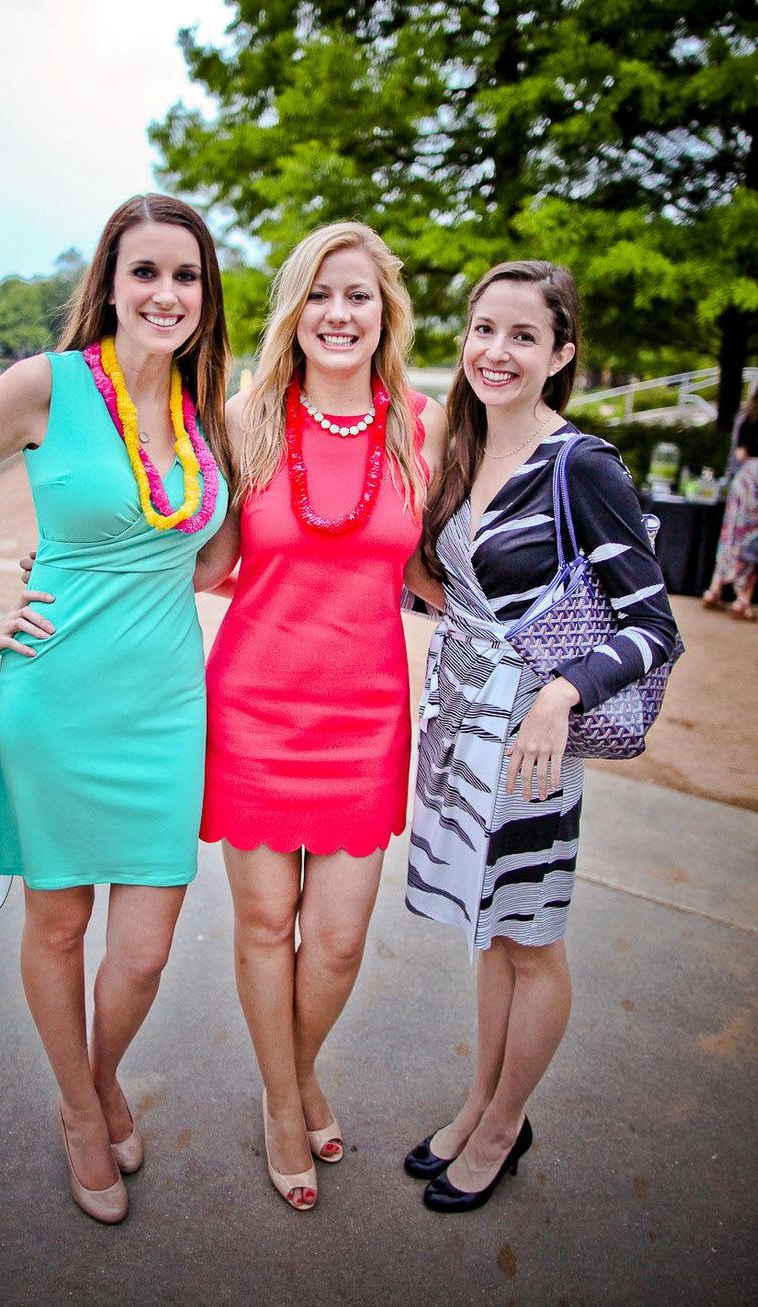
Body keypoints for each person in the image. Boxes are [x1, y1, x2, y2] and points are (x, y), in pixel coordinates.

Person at [0, 194, 230, 1224]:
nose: (166, 292)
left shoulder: (205, 410)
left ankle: (97, 1070)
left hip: (169, 710)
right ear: (112, 282)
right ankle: (83, 1110)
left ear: (204, 295)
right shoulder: (45, 386)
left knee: (142, 951)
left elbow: (213, 557)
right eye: (146, 271)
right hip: (53, 698)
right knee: (58, 922)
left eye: (185, 275)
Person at [402, 261, 680, 1213]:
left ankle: (504, 1123)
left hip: (532, 742)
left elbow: (654, 624)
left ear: (562, 354)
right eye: (485, 329)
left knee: (531, 938)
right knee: (490, 931)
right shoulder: (459, 445)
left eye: (524, 335)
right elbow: (445, 588)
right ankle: (480, 1102)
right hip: (462, 735)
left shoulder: (582, 466)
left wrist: (562, 694)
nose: (497, 351)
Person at [194, 222, 446, 1210]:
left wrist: (530, 634)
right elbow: (207, 562)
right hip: (251, 710)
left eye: (358, 296)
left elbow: (424, 568)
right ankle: (284, 1100)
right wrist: (87, 582)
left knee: (335, 940)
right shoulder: (244, 417)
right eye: (320, 295)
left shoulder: (415, 425)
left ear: (384, 312)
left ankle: (290, 1075)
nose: (338, 314)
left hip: (366, 715)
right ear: (293, 311)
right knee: (265, 924)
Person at [702, 375, 758, 621]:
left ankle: (715, 588)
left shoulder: (746, 415)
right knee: (754, 541)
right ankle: (742, 598)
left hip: (742, 481)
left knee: (730, 537)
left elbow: (737, 454)